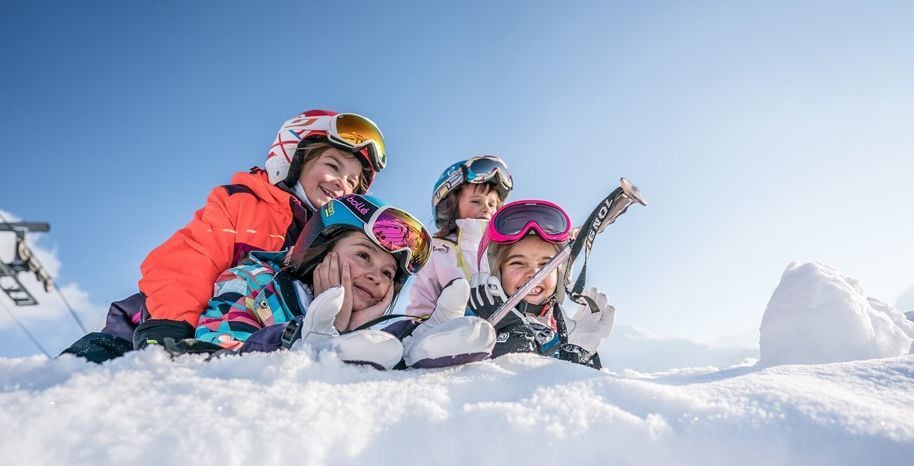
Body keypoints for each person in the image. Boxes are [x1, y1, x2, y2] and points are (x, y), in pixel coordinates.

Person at [62, 109, 387, 362]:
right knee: (80, 383)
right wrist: (172, 328)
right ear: (293, 159)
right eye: (332, 165)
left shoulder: (327, 242)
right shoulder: (246, 204)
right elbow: (189, 260)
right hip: (154, 331)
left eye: (353, 181)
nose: (342, 182)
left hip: (238, 344)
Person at [192, 193, 497, 370]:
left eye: (388, 274)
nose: (376, 276)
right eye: (363, 256)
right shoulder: (254, 284)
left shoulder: (379, 326)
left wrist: (411, 343)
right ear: (320, 248)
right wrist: (296, 341)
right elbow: (213, 357)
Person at [466, 200, 614, 368]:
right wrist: (508, 336)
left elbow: (574, 393)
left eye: (545, 265)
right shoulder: (468, 326)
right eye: (518, 263)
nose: (534, 274)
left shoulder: (559, 336)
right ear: (494, 273)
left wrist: (578, 354)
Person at [405, 156, 512, 318]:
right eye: (476, 201)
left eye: (492, 204)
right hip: (455, 330)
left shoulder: (505, 247)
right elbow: (423, 298)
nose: (486, 209)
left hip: (507, 327)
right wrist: (419, 327)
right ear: (453, 206)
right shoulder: (438, 251)